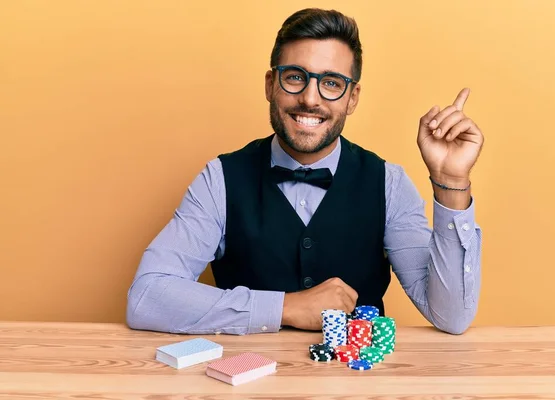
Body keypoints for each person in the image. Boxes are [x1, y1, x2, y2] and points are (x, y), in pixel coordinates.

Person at [126, 8, 484, 336]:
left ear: (352, 98)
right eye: (295, 77)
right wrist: (286, 307)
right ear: (270, 84)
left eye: (331, 83)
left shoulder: (388, 184)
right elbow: (147, 296)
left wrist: (451, 183)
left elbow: (451, 317)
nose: (311, 99)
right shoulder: (220, 179)